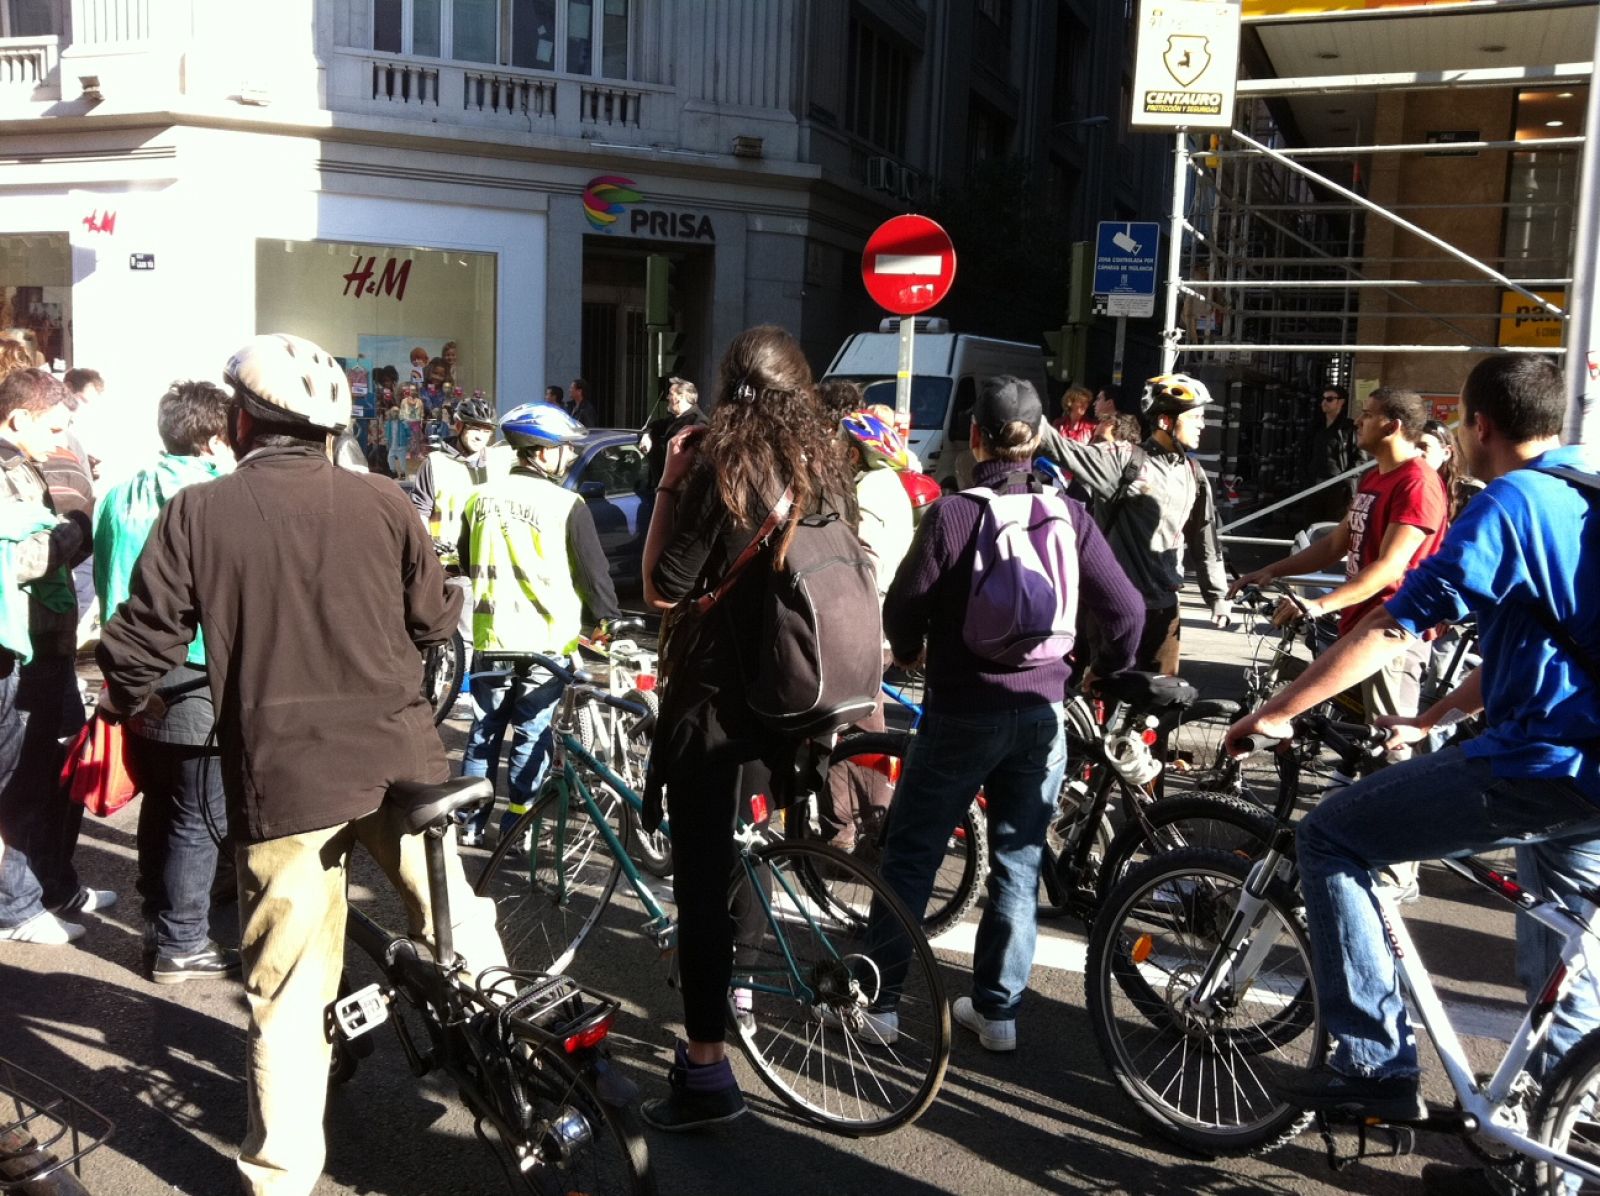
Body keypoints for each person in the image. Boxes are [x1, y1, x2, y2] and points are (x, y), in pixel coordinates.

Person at [95, 332, 506, 1195]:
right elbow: (436, 620)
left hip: (287, 780)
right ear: (330, 429)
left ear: (242, 422)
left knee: (286, 991)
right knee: (460, 929)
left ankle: (280, 1178)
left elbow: (140, 643)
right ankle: (528, 1072)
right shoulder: (386, 501)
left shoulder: (200, 512)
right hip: (403, 759)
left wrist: (128, 701)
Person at [1223, 357, 1600, 1193]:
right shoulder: (1586, 486)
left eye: (1458, 423)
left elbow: (1399, 623)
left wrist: (1277, 710)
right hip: (1590, 771)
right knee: (1562, 962)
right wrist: (1437, 717)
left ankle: (1371, 1066)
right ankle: (1545, 1164)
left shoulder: (1511, 501)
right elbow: (1547, 635)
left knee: (1332, 837)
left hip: (1542, 763)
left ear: (1480, 424)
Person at [639, 324, 868, 1130]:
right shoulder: (824, 466)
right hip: (792, 706)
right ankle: (743, 989)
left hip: (714, 710)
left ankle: (706, 1071)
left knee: (701, 888)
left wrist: (670, 481)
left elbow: (662, 587)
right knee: (751, 854)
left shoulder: (721, 467)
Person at [873, 375, 1142, 1051]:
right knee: (1018, 863)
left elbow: (904, 604)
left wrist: (907, 649)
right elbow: (1126, 609)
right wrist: (1095, 670)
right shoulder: (1068, 513)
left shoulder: (954, 515)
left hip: (962, 710)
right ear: (1040, 438)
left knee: (912, 853)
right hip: (1043, 713)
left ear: (975, 437)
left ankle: (879, 1005)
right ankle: (997, 1013)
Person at [93, 379, 238, 982]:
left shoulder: (118, 493)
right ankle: (182, 941)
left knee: (161, 800)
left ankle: (158, 920)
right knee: (199, 814)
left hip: (131, 671)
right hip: (194, 672)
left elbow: (105, 578)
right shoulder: (213, 498)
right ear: (213, 439)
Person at [1231, 388, 1447, 739]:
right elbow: (1334, 544)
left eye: (1368, 414)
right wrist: (1271, 570)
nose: (1358, 421)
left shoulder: (1417, 483)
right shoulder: (1375, 476)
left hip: (1391, 630)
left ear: (1392, 426)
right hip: (1358, 624)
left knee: (1389, 746)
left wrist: (1319, 604)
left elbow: (1391, 566)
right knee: (1351, 737)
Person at [455, 401, 620, 847]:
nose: (570, 455)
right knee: (531, 733)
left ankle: (470, 823)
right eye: (565, 448)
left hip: (492, 639)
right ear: (543, 452)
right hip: (545, 644)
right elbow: (594, 575)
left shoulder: (479, 498)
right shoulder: (567, 504)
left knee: (484, 731)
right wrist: (608, 621)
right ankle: (518, 827)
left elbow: (468, 562)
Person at [0, 369, 107, 945]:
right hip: (21, 649)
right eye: (54, 427)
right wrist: (70, 534)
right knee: (20, 780)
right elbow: (19, 560)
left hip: (47, 643)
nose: (63, 441)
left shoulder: (23, 461)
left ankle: (51, 886)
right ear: (19, 418)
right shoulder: (5, 467)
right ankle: (16, 907)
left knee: (55, 768)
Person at [1036, 373, 1232, 675]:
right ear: (1166, 421)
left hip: (1164, 609)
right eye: (1195, 417)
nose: (1202, 425)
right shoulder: (1125, 460)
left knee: (1163, 694)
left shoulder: (1193, 473)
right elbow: (1068, 452)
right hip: (1115, 605)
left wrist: (1217, 594)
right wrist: (1029, 417)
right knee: (1107, 691)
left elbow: (1204, 537)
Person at [1303, 384, 1360, 524]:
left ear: (1341, 402)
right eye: (1323, 399)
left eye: (1329, 399)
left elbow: (1360, 459)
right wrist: (1305, 477)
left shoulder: (1350, 428)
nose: (1324, 402)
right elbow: (1304, 454)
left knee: (1332, 526)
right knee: (1311, 525)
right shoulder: (1315, 427)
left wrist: (1346, 480)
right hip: (1314, 486)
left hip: (1338, 490)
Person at [641, 377, 707, 491]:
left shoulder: (699, 423)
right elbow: (653, 426)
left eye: (670, 394)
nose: (667, 397)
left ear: (681, 397)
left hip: (682, 493)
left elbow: (698, 466)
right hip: (665, 488)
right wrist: (647, 436)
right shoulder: (673, 419)